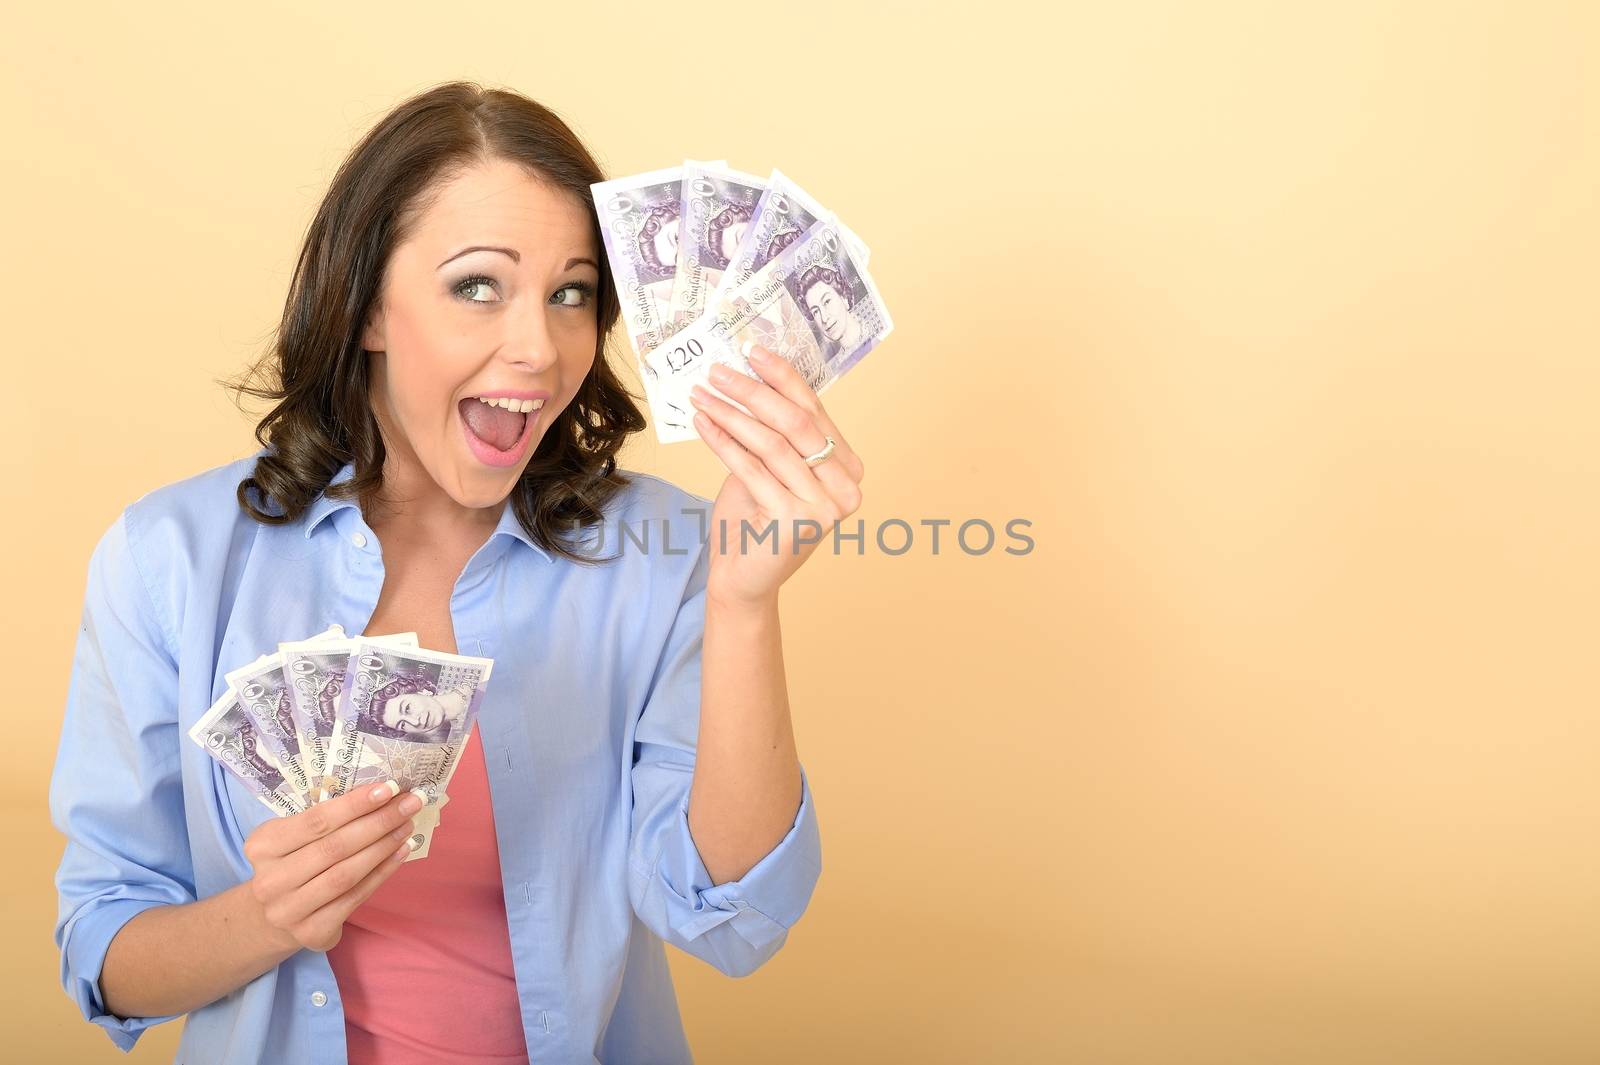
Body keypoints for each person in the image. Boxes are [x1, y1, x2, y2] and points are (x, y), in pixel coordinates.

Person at [50, 80, 865, 1065]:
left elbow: (728, 919)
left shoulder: (666, 555)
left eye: (571, 292)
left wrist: (743, 603)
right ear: (368, 311)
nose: (538, 346)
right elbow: (107, 953)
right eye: (477, 285)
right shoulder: (173, 558)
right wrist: (269, 914)